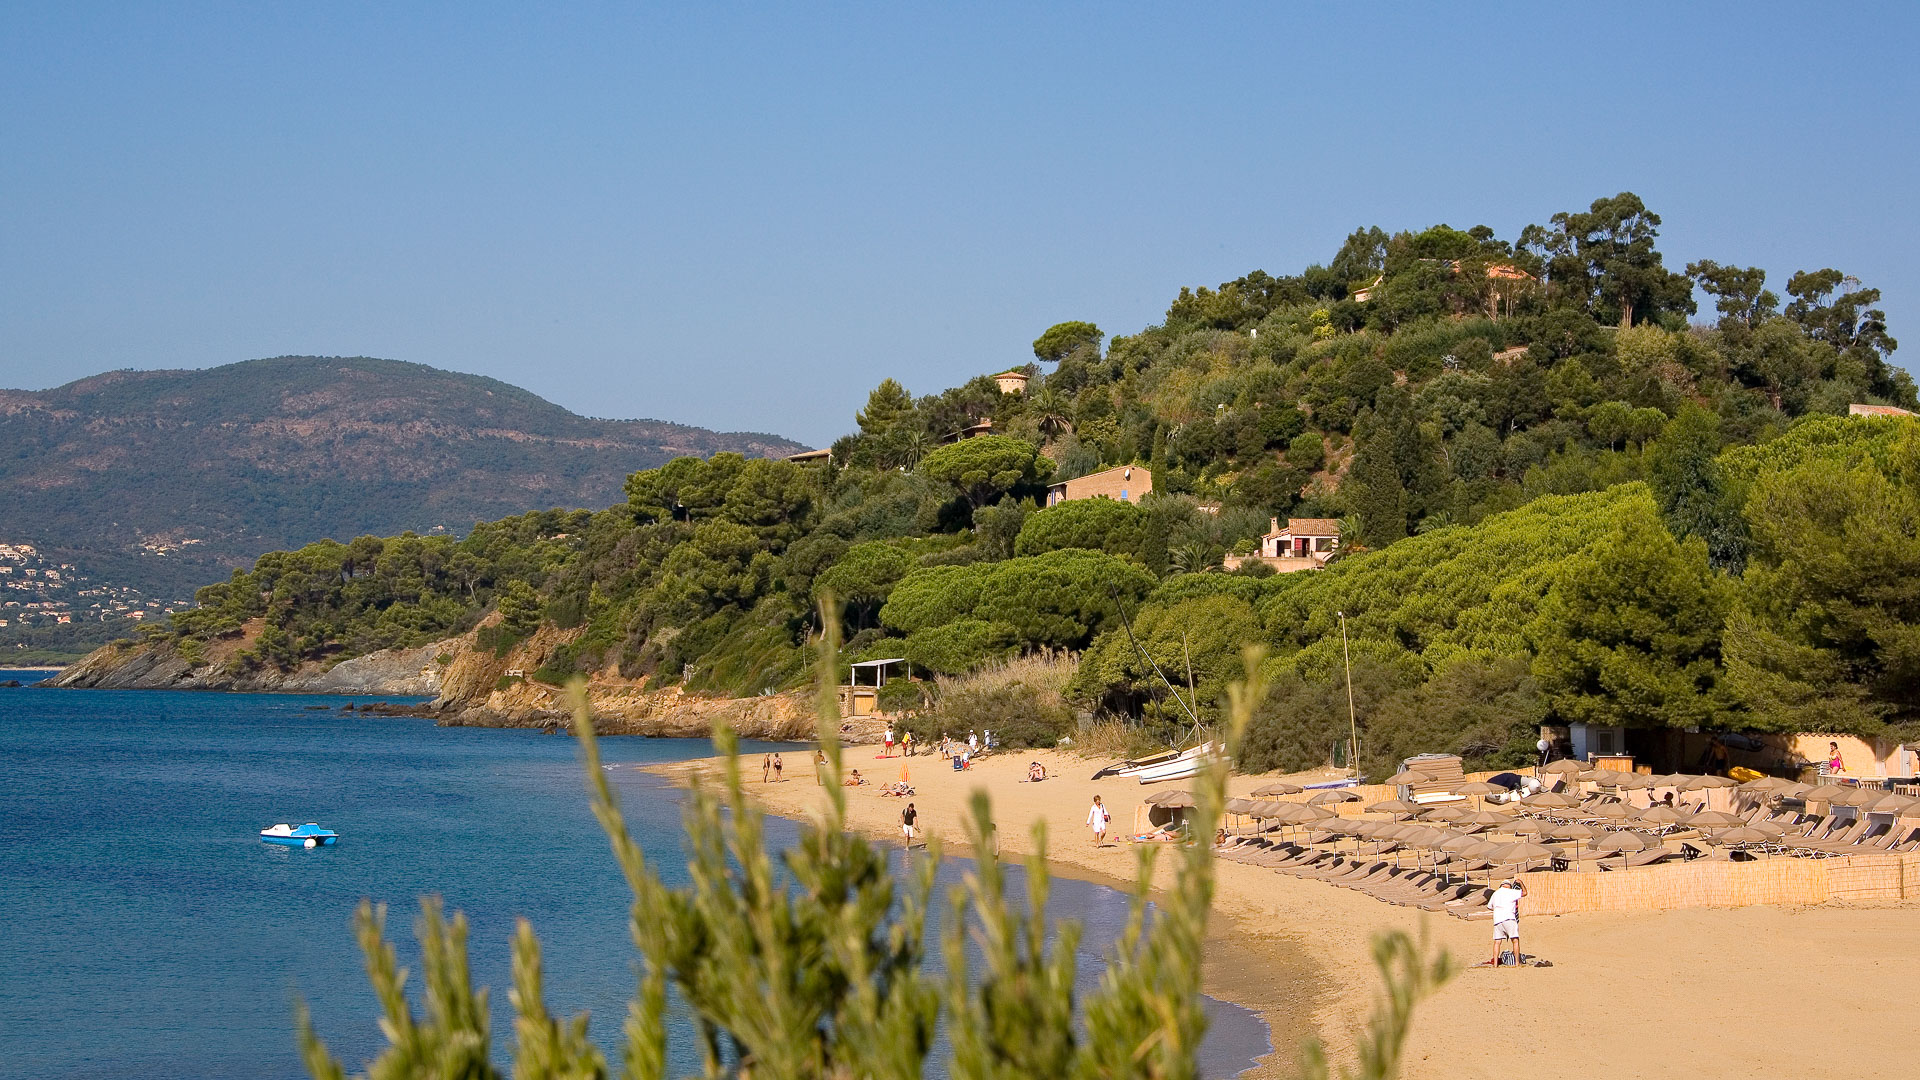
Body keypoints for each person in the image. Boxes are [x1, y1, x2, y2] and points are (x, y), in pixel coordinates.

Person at [1489, 878, 1526, 966]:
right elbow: (1524, 893)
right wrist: (1521, 883)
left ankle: (1495, 964)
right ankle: (1517, 962)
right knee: (1515, 940)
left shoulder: (1495, 893)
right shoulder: (1511, 892)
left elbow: (1490, 906)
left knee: (1497, 942)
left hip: (1497, 919)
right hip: (1509, 918)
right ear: (1509, 886)